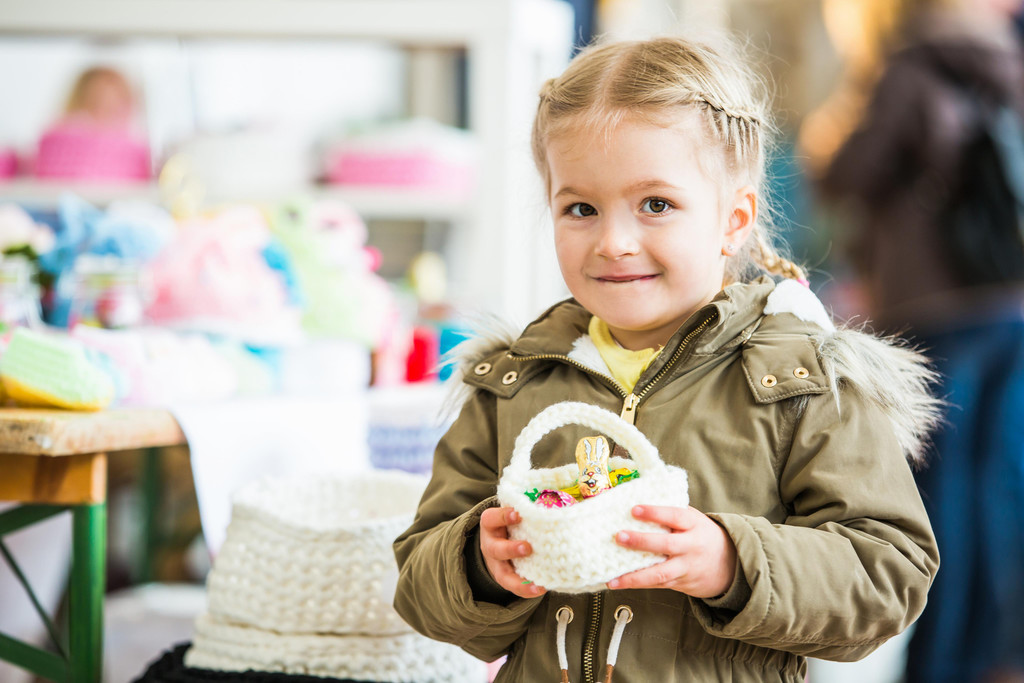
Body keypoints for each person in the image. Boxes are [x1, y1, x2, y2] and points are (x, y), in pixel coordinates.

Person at [393, 35, 941, 682]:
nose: (614, 241)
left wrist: (732, 562)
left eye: (656, 205)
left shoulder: (803, 381)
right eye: (580, 208)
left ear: (734, 220)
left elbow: (889, 575)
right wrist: (479, 565)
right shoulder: (513, 381)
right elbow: (421, 585)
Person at [819, 1, 1024, 681]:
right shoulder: (1010, 66)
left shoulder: (908, 70)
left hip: (935, 309)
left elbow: (847, 173)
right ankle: (987, 653)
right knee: (995, 489)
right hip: (1010, 303)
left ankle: (936, 664)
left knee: (936, 498)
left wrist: (837, 126)